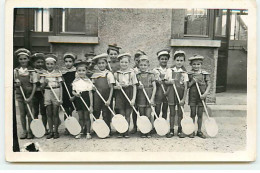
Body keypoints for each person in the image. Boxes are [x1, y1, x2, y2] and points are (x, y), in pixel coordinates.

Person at [14, 48, 37, 139]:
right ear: (18, 60)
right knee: (22, 114)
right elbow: (13, 83)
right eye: (21, 59)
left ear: (28, 59)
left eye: (25, 58)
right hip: (20, 94)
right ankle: (24, 131)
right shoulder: (15, 71)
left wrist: (30, 97)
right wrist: (16, 84)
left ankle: (30, 131)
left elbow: (34, 85)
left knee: (29, 113)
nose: (23, 60)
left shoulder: (32, 71)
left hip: (29, 94)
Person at [165, 50, 188, 138]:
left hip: (181, 94)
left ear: (184, 61)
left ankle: (179, 129)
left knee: (180, 113)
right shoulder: (169, 71)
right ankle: (171, 130)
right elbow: (166, 82)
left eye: (181, 60)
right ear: (174, 60)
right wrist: (169, 82)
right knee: (172, 112)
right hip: (171, 93)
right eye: (177, 60)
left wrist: (183, 99)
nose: (179, 62)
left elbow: (186, 87)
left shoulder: (184, 73)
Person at [114, 53, 137, 138]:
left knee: (128, 114)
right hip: (120, 95)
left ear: (129, 63)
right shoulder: (116, 74)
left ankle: (126, 131)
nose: (124, 64)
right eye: (122, 62)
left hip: (129, 93)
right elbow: (113, 87)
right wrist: (118, 86)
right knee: (121, 114)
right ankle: (121, 130)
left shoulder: (132, 73)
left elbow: (134, 86)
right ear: (119, 63)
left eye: (126, 62)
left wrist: (133, 99)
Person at [188, 55, 211, 139]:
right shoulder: (190, 74)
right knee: (193, 113)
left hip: (201, 96)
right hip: (193, 96)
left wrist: (205, 94)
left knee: (200, 114)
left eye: (198, 64)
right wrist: (193, 81)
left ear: (201, 64)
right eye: (194, 64)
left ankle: (199, 131)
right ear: (191, 65)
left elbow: (209, 84)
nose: (196, 66)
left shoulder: (204, 74)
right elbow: (188, 86)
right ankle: (192, 131)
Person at [91, 53, 115, 136]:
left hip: (106, 95)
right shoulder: (95, 75)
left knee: (106, 113)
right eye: (99, 63)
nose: (101, 65)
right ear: (97, 65)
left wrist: (109, 99)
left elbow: (112, 87)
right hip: (97, 96)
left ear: (106, 64)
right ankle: (96, 128)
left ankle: (107, 129)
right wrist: (93, 88)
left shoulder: (109, 74)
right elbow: (92, 85)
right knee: (96, 111)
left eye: (103, 63)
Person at [40, 54, 63, 139]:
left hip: (56, 91)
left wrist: (61, 98)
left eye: (51, 64)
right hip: (47, 92)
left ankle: (56, 131)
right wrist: (44, 83)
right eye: (48, 64)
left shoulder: (58, 74)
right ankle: (50, 131)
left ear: (55, 64)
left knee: (55, 113)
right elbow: (41, 87)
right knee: (48, 113)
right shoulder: (43, 74)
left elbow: (61, 86)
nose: (49, 66)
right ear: (45, 64)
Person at [72, 60, 94, 139]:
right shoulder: (75, 81)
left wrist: (91, 105)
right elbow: (73, 91)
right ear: (77, 71)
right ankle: (80, 131)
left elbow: (90, 93)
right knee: (80, 117)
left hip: (86, 98)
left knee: (87, 117)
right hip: (78, 99)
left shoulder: (88, 81)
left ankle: (88, 132)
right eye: (79, 70)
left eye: (83, 70)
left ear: (86, 71)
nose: (81, 72)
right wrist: (75, 94)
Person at [136, 55, 156, 138]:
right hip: (141, 96)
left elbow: (155, 87)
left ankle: (148, 130)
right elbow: (134, 87)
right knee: (142, 115)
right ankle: (143, 130)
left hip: (149, 95)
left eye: (145, 65)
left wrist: (152, 98)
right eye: (141, 65)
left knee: (148, 114)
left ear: (148, 66)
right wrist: (138, 87)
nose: (143, 67)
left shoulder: (151, 75)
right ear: (139, 66)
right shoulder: (137, 76)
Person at [152, 49, 170, 129]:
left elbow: (170, 82)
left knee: (165, 109)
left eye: (166, 59)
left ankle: (163, 126)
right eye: (162, 59)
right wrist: (156, 80)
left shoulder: (169, 70)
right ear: (159, 59)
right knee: (157, 109)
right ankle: (156, 126)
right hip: (158, 92)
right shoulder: (155, 70)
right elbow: (153, 82)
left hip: (167, 91)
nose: (164, 60)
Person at [31, 52, 48, 134]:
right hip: (34, 93)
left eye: (42, 62)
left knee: (43, 111)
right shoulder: (32, 71)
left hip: (43, 92)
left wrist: (43, 84)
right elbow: (30, 81)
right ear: (34, 63)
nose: (40, 64)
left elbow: (47, 81)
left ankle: (45, 128)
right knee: (35, 111)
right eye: (38, 62)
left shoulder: (45, 71)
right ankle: (37, 128)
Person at [60, 52, 77, 135]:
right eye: (66, 61)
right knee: (66, 110)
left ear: (73, 62)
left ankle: (75, 126)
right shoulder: (62, 72)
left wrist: (74, 95)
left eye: (70, 61)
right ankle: (67, 127)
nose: (68, 63)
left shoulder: (76, 72)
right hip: (65, 93)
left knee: (74, 110)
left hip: (74, 93)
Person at [131, 49, 146, 134]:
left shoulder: (145, 68)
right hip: (135, 91)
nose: (138, 62)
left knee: (142, 109)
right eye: (136, 60)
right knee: (135, 109)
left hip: (143, 92)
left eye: (140, 59)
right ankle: (135, 126)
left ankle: (144, 126)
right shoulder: (132, 70)